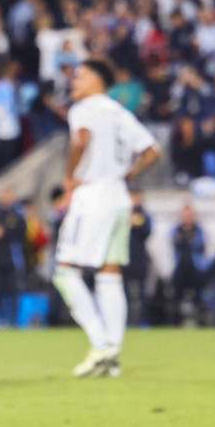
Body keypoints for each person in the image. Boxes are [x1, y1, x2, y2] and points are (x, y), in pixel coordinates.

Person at [53, 59, 160, 378]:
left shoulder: (84, 108)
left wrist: (69, 178)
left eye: (80, 76)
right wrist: (128, 174)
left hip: (93, 196)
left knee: (65, 272)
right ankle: (112, 352)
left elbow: (81, 139)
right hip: (119, 197)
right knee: (110, 273)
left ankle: (100, 345)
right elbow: (153, 150)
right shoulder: (119, 112)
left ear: (98, 80)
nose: (74, 83)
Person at [0, 188, 26, 327]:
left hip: (13, 261)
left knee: (14, 290)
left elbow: (21, 231)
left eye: (9, 196)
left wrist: (4, 233)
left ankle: (14, 320)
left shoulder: (18, 214)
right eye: (4, 196)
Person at [171, 205, 207, 326]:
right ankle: (176, 322)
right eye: (185, 215)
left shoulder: (198, 230)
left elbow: (200, 246)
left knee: (199, 294)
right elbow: (175, 243)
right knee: (176, 295)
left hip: (195, 268)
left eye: (189, 215)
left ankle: (200, 320)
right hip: (180, 268)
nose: (187, 218)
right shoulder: (177, 230)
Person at [124, 191, 152, 326]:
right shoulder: (122, 213)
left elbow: (147, 233)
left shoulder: (144, 216)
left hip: (140, 260)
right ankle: (124, 321)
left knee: (142, 293)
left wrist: (134, 223)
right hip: (123, 259)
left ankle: (143, 321)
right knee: (123, 294)